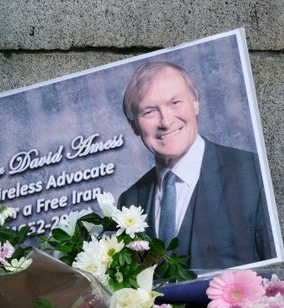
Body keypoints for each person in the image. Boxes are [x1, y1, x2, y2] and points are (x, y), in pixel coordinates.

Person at [118, 60, 275, 269]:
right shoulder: (129, 200)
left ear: (195, 103)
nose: (166, 121)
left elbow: (279, 278)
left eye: (175, 103)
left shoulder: (253, 173)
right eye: (149, 112)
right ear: (134, 126)